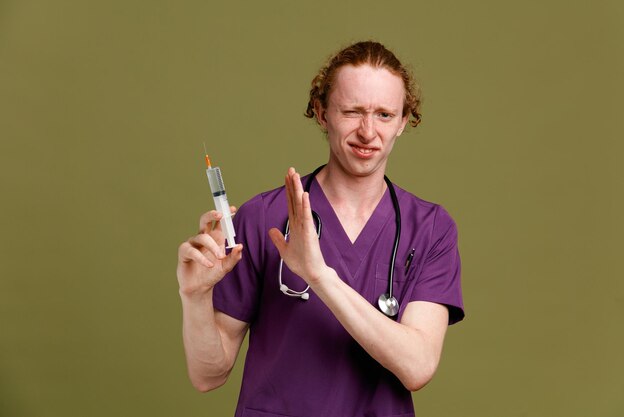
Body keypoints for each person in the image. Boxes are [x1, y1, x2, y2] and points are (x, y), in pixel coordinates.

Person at [177, 41, 464, 417]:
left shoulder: (430, 228)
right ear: (322, 112)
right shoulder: (263, 219)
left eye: (384, 114)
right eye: (352, 111)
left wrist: (318, 275)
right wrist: (194, 297)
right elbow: (207, 375)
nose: (367, 132)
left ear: (403, 122)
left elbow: (417, 366)